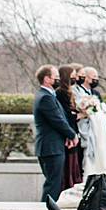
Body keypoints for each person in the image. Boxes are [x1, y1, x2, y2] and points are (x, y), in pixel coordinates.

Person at [33, 65, 79, 203]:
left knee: (54, 182)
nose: (59, 80)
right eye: (56, 77)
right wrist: (72, 135)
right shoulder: (45, 98)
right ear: (47, 79)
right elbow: (57, 120)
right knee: (53, 184)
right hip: (50, 147)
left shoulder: (48, 96)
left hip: (53, 145)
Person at [74, 66, 106, 175]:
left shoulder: (95, 93)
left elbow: (104, 108)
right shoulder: (78, 93)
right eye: (94, 77)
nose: (96, 79)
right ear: (86, 78)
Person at [56, 64, 85, 190]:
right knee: (69, 165)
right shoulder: (61, 93)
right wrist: (80, 114)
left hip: (73, 131)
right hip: (69, 134)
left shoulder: (70, 92)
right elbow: (67, 115)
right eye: (72, 77)